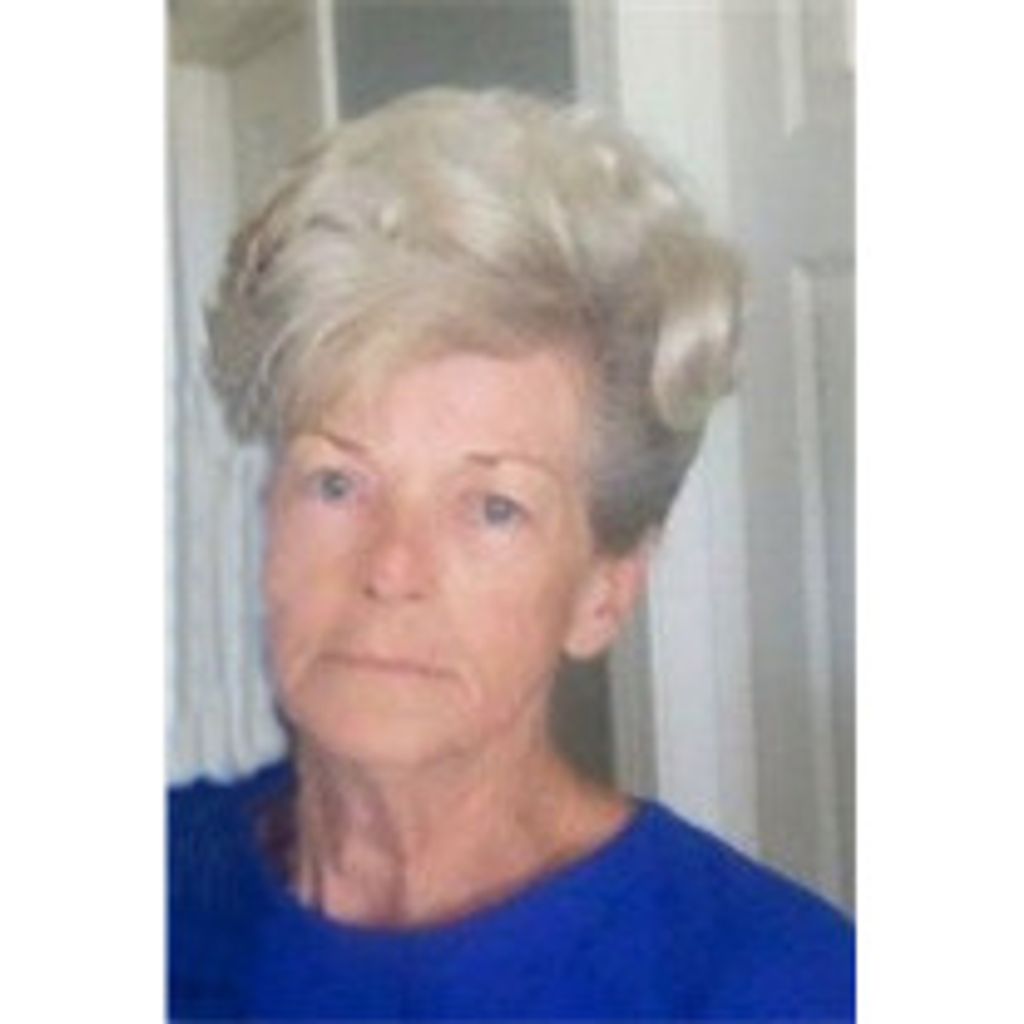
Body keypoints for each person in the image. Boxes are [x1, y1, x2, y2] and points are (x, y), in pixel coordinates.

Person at [169, 87, 854, 1021]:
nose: (392, 569)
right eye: (337, 483)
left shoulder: (783, 984)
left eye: (493, 508)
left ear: (605, 591)